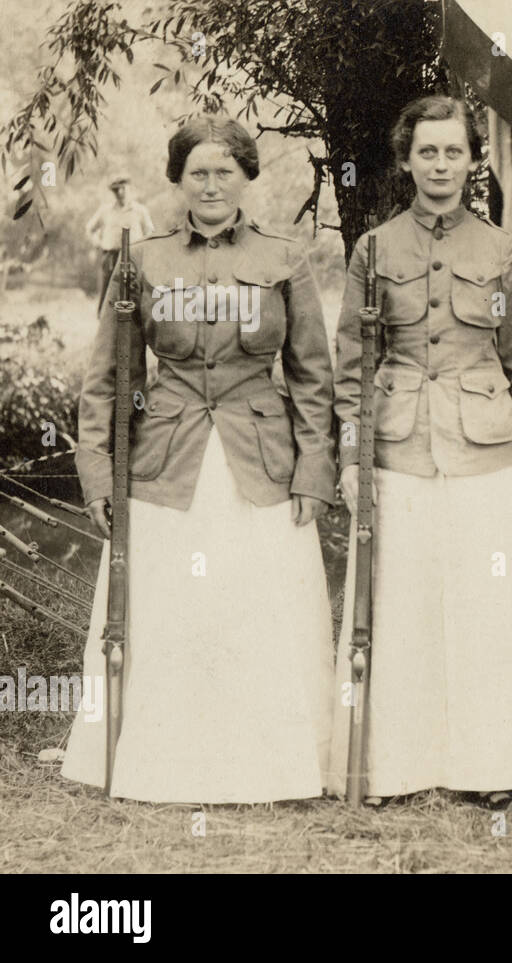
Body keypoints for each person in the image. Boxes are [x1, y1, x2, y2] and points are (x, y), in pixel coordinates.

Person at [64, 116, 336, 803]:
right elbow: (107, 376)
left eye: (224, 171)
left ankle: (268, 765)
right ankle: (162, 762)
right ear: (177, 181)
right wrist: (98, 471)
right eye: (197, 173)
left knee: (259, 610)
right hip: (165, 458)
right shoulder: (144, 259)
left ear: (247, 177)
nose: (211, 185)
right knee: (173, 614)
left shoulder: (283, 256)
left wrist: (313, 470)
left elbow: (312, 376)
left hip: (260, 457)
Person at [325, 96, 512, 806]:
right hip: (397, 444)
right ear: (407, 159)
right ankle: (395, 767)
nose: (441, 165)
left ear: (474, 159)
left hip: (485, 444)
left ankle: (492, 767)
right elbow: (352, 363)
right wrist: (352, 459)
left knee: (487, 608)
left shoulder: (500, 247)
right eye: (428, 152)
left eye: (454, 152)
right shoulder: (375, 248)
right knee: (402, 607)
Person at [85, 173, 154, 310]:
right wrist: (99, 243)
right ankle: (104, 324)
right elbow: (89, 228)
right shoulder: (105, 210)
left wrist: (143, 252)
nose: (120, 193)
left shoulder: (140, 211)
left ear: (130, 189)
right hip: (110, 256)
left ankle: (131, 326)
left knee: (132, 292)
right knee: (108, 291)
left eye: (123, 188)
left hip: (132, 257)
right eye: (116, 190)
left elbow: (150, 233)